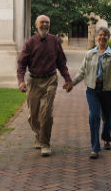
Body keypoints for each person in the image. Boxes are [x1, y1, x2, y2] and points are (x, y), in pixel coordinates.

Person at [65, 26, 111, 159]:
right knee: (94, 116)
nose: (102, 37)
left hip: (108, 91)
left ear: (108, 38)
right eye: (100, 35)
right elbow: (82, 72)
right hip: (92, 90)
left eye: (105, 35)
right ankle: (95, 148)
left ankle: (106, 138)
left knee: (107, 118)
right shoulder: (89, 54)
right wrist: (71, 84)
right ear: (96, 37)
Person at [17, 15, 73, 157]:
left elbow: (61, 62)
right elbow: (21, 64)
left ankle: (45, 143)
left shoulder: (54, 41)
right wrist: (21, 81)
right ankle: (38, 135)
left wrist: (67, 79)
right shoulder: (30, 43)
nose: (45, 24)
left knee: (46, 112)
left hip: (50, 80)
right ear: (36, 25)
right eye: (42, 22)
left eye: (47, 22)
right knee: (33, 116)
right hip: (34, 82)